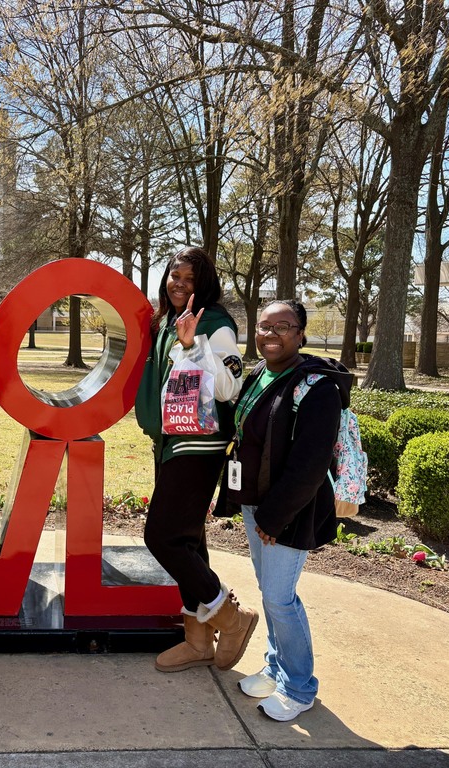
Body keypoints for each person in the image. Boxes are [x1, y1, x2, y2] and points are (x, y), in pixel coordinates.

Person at [135, 245, 257, 673]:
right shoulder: (166, 321)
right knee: (188, 541)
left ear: (202, 284)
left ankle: (230, 616)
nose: (178, 284)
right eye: (173, 275)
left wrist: (194, 345)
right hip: (171, 441)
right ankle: (198, 639)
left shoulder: (216, 323)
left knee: (162, 538)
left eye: (187, 278)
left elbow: (229, 387)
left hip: (199, 445)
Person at [227, 299, 350, 722]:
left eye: (283, 326)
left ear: (300, 334)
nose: (271, 334)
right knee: (269, 591)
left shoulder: (317, 388)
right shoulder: (260, 375)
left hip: (289, 511)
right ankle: (277, 668)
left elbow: (310, 466)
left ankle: (299, 688)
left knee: (280, 599)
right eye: (263, 326)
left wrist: (272, 518)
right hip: (259, 506)